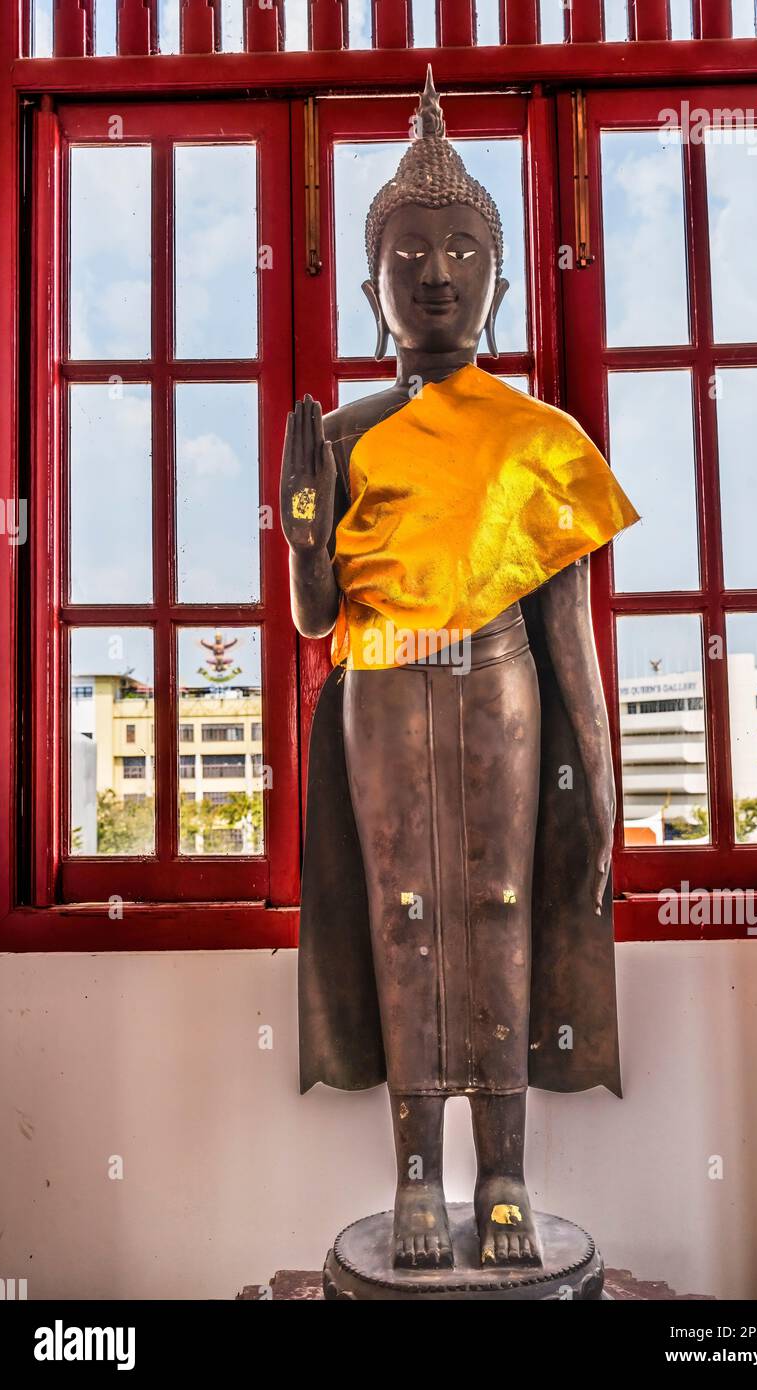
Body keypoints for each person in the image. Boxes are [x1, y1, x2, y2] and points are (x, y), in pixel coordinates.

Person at [281, 70, 638, 1271]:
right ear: (375, 285)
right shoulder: (339, 433)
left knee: (495, 917)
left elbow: (569, 627)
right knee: (404, 918)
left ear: (497, 273)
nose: (435, 274)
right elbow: (315, 618)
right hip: (379, 690)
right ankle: (415, 1174)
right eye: (409, 257)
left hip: (501, 690)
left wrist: (601, 770)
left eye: (461, 251)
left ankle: (503, 1177)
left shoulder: (544, 439)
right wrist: (300, 537)